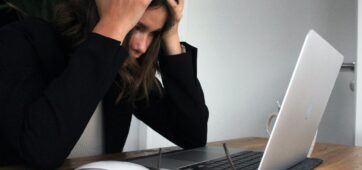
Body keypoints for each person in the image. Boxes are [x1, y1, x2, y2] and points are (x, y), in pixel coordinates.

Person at [0, 0, 209, 169]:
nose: (142, 46)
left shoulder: (123, 70)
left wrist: (171, 34)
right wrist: (113, 26)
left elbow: (192, 135)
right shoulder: (21, 40)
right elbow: (40, 153)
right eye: (137, 26)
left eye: (154, 33)